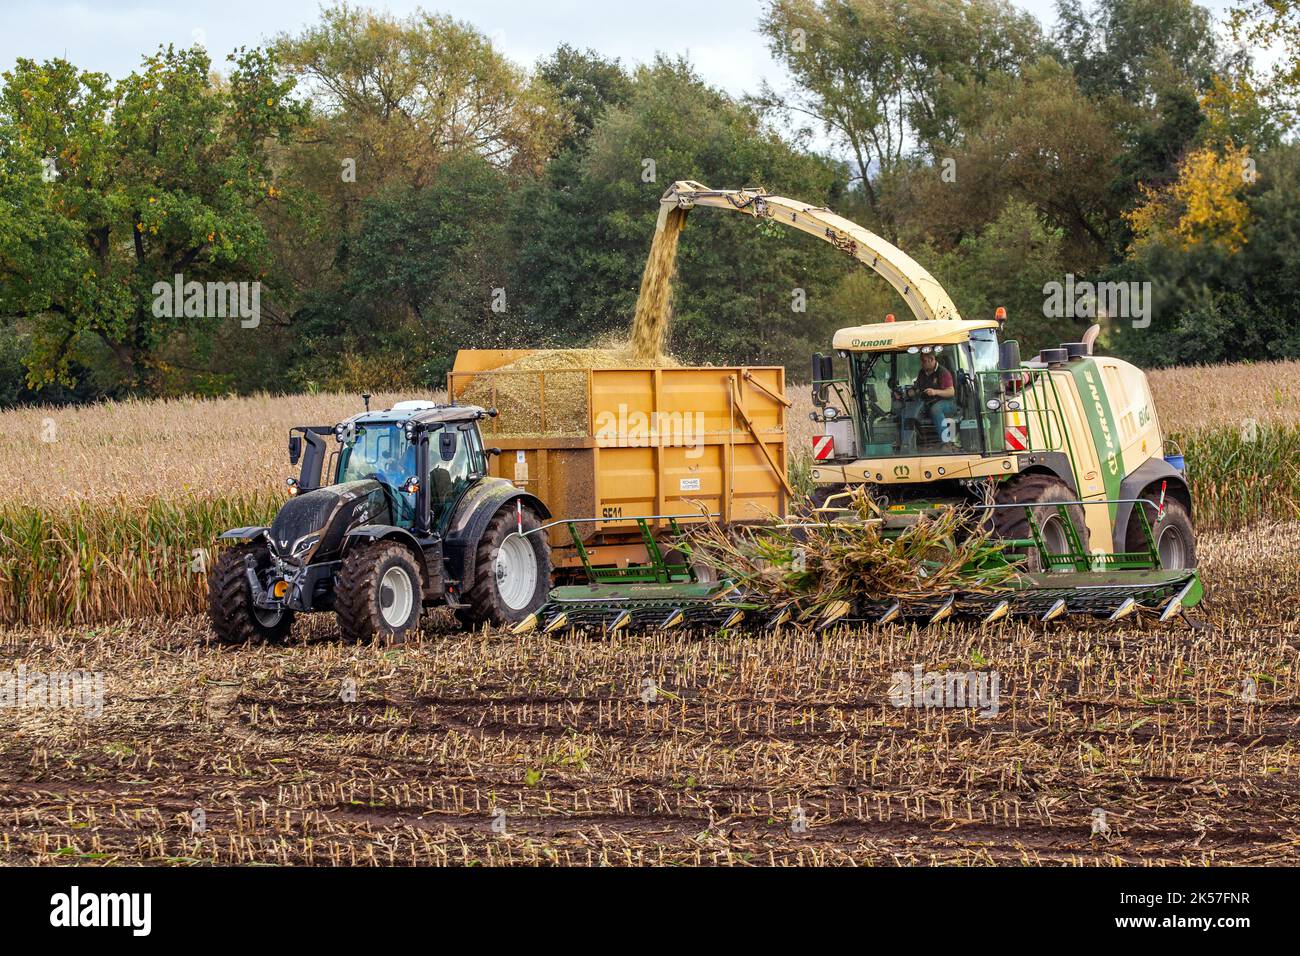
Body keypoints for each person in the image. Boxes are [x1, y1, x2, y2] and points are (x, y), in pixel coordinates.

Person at [897, 351, 958, 450]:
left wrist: (935, 392)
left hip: (948, 403)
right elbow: (918, 388)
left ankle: (946, 442)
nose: (922, 363)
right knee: (908, 410)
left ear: (932, 360)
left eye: (924, 361)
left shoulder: (943, 372)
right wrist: (909, 393)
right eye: (921, 361)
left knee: (935, 409)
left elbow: (951, 392)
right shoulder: (922, 373)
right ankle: (908, 444)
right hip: (927, 401)